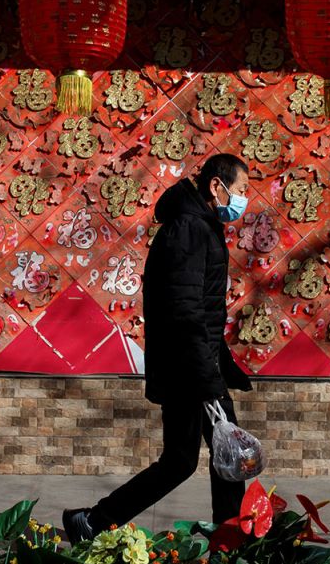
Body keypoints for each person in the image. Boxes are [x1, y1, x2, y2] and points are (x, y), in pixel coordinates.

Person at [63, 153, 253, 542]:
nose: (242, 200)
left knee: (185, 461)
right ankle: (232, 549)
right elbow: (184, 310)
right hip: (192, 369)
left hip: (195, 364)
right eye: (241, 191)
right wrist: (208, 377)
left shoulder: (199, 224)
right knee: (224, 457)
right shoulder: (189, 228)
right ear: (217, 186)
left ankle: (92, 522)